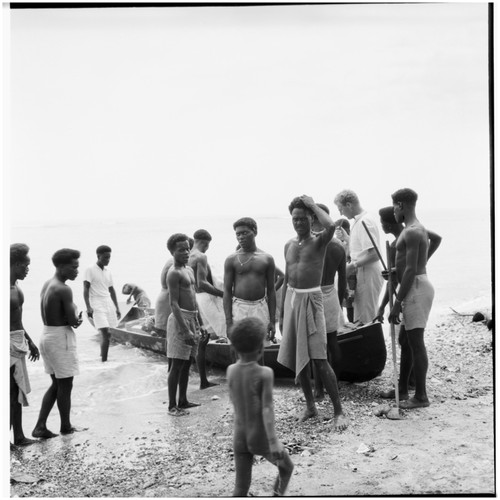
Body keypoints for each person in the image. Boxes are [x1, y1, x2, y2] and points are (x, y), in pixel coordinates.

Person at [277, 195, 348, 429]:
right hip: (292, 299)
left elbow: (331, 225)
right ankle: (310, 406)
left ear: (310, 219)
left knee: (319, 358)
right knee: (300, 357)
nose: (298, 223)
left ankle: (338, 411)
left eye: (303, 218)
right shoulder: (288, 245)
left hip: (312, 298)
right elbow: (287, 279)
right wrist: (281, 312)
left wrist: (313, 205)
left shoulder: (320, 241)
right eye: (295, 219)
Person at [381, 191, 441, 409]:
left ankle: (422, 396)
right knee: (405, 341)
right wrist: (400, 269)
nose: (393, 211)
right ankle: (403, 389)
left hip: (416, 287)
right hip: (415, 283)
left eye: (394, 207)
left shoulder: (414, 231)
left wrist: (396, 304)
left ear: (401, 205)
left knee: (415, 342)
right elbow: (411, 264)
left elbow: (410, 271)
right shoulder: (413, 230)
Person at [227, 317, 294, 496]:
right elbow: (267, 409)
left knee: (241, 488)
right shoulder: (265, 373)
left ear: (234, 348)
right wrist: (274, 442)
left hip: (239, 437)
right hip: (259, 437)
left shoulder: (231, 371)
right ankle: (276, 495)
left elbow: (236, 401)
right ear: (261, 349)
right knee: (287, 467)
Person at [32, 248, 84, 438]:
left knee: (56, 384)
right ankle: (66, 426)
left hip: (47, 334)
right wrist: (77, 319)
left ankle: (40, 426)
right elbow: (72, 321)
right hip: (60, 338)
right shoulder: (63, 288)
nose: (76, 271)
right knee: (66, 384)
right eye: (73, 267)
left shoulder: (48, 284)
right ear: (61, 266)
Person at [166, 233, 207, 415]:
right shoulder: (173, 273)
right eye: (181, 249)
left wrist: (201, 323)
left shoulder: (189, 270)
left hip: (192, 317)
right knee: (176, 364)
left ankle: (183, 400)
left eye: (187, 248)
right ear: (172, 251)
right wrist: (185, 330)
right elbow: (173, 303)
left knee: (187, 362)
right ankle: (171, 405)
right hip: (180, 320)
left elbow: (193, 298)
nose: (186, 252)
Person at [310, 204, 347, 397]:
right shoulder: (338, 245)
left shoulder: (312, 242)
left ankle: (318, 389)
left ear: (314, 219)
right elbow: (342, 279)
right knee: (333, 342)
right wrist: (339, 303)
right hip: (331, 293)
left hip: (313, 293)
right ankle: (336, 383)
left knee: (316, 344)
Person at [223, 217, 277, 346]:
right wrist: (229, 321)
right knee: (237, 349)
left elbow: (271, 290)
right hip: (239, 308)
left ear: (255, 232)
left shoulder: (267, 258)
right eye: (238, 234)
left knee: (260, 348)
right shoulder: (232, 259)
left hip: (260, 307)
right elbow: (227, 291)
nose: (241, 237)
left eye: (245, 233)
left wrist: (272, 321)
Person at [334, 190, 383, 325]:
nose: (341, 213)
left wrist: (352, 266)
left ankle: (372, 345)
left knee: (366, 317)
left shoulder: (364, 221)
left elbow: (375, 254)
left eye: (341, 208)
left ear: (348, 205)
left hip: (367, 272)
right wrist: (347, 238)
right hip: (363, 272)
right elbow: (361, 249)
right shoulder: (359, 220)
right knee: (361, 313)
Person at [10, 244, 40, 447]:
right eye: (25, 265)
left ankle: (18, 436)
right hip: (8, 343)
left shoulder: (16, 287)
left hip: (18, 340)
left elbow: (18, 321)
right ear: (15, 264)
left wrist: (30, 341)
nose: (28, 269)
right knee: (9, 391)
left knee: (17, 389)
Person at [83, 245, 121, 362]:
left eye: (109, 257)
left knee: (109, 334)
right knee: (105, 332)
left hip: (108, 302)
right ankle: (104, 361)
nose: (107, 260)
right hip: (96, 303)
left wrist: (117, 307)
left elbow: (111, 289)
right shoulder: (90, 269)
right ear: (98, 256)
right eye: (105, 257)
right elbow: (86, 288)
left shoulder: (108, 271)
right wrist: (88, 306)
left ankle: (102, 357)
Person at [189, 229, 226, 339]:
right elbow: (202, 283)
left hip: (197, 298)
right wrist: (223, 294)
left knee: (211, 332)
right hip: (207, 297)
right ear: (205, 243)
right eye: (208, 245)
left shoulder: (187, 256)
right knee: (224, 329)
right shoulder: (201, 256)